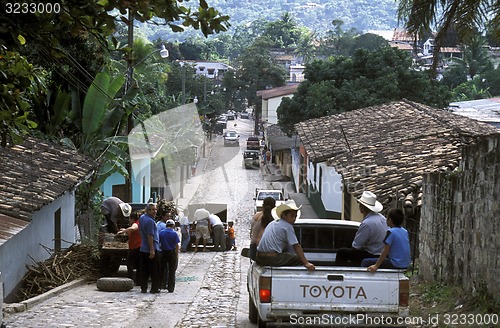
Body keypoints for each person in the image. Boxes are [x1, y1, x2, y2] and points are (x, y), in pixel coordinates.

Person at [256, 200, 315, 271]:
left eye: (295, 216)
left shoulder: (272, 223)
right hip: (273, 259)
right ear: (283, 215)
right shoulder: (287, 226)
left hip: (259, 257)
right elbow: (296, 246)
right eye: (292, 216)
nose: (294, 219)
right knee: (298, 258)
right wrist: (306, 263)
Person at [335, 191, 388, 267]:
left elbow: (356, 247)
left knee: (341, 252)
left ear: (362, 207)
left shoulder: (367, 223)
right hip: (383, 253)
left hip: (372, 255)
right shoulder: (382, 218)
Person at [139, 202, 161, 294]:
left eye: (155, 209)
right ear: (148, 210)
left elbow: (140, 231)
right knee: (154, 269)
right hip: (150, 248)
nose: (155, 211)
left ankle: (143, 288)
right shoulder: (150, 221)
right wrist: (152, 250)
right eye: (152, 209)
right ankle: (154, 288)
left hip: (143, 247)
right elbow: (150, 236)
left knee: (144, 269)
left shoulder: (142, 218)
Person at [117, 211, 141, 285]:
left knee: (129, 263)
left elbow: (133, 228)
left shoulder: (135, 224)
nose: (129, 221)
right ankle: (138, 281)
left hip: (135, 247)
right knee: (138, 264)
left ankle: (130, 279)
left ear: (132, 219)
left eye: (130, 219)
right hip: (138, 247)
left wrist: (123, 231)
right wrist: (125, 230)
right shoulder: (138, 223)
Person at [159, 219, 180, 292]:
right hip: (172, 253)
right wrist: (176, 254)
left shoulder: (161, 233)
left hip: (164, 252)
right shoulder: (174, 233)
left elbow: (159, 242)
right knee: (172, 271)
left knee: (162, 269)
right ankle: (171, 287)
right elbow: (176, 245)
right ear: (173, 225)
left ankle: (160, 285)